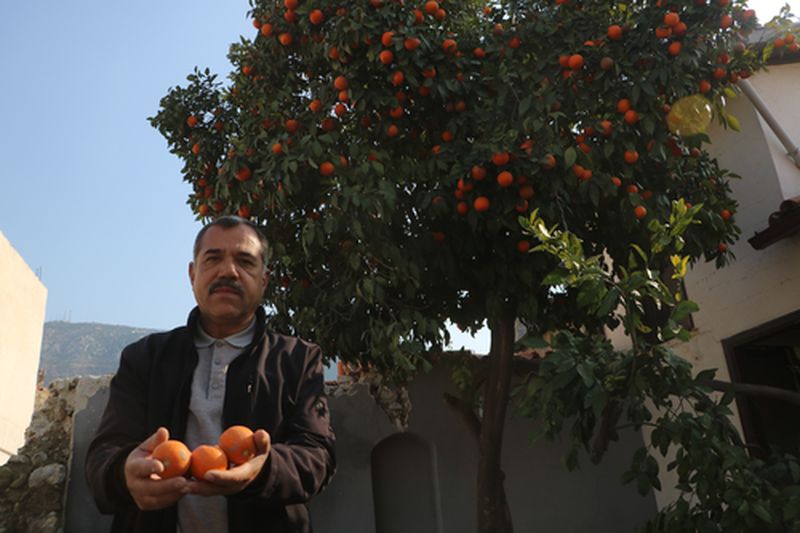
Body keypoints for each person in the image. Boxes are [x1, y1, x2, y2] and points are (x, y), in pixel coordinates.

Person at [85, 216, 335, 533]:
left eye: (245, 261)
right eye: (213, 259)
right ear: (193, 274)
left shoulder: (298, 359)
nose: (228, 271)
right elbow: (103, 454)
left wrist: (264, 469)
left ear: (264, 280)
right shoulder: (144, 358)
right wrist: (124, 474)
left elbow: (318, 456)